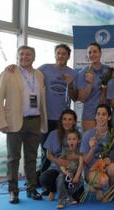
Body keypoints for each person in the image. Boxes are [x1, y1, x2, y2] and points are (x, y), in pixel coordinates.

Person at [0, 45, 48, 204]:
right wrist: (1, 122)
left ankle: (31, 189)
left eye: (28, 54)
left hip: (35, 121)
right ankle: (13, 191)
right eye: (22, 54)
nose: (25, 57)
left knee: (31, 158)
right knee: (13, 158)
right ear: (17, 56)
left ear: (34, 57)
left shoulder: (39, 75)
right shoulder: (8, 72)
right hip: (14, 122)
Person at [37, 44, 79, 183]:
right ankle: (44, 181)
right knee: (45, 151)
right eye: (58, 53)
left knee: (61, 151)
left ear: (68, 56)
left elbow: (75, 97)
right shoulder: (44, 69)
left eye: (64, 54)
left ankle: (61, 180)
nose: (61, 56)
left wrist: (70, 84)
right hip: (46, 117)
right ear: (55, 54)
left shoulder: (73, 74)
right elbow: (29, 76)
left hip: (63, 120)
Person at [80, 104, 114, 201]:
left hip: (106, 167)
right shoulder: (87, 135)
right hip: (92, 169)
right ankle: (98, 188)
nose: (100, 117)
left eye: (104, 114)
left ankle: (111, 190)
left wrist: (110, 159)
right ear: (95, 116)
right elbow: (85, 161)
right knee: (103, 180)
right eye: (98, 114)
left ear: (109, 117)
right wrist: (92, 149)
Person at [40, 109, 82, 202]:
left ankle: (66, 192)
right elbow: (48, 154)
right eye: (64, 119)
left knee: (79, 198)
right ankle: (53, 190)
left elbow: (82, 155)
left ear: (74, 121)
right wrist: (57, 161)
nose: (67, 122)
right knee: (44, 178)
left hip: (72, 170)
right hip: (56, 168)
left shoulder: (79, 135)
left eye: (70, 119)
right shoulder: (53, 134)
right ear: (61, 121)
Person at [77, 42, 111, 131]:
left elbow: (112, 95)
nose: (92, 54)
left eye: (95, 52)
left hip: (105, 114)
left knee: (105, 144)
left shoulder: (109, 71)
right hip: (89, 115)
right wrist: (90, 84)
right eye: (90, 52)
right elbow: (82, 99)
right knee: (89, 142)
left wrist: (105, 89)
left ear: (100, 53)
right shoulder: (83, 73)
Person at [56, 130, 84, 209]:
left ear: (78, 141)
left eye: (74, 139)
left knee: (81, 182)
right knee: (60, 178)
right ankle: (61, 199)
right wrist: (65, 171)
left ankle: (68, 195)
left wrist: (77, 176)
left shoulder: (80, 151)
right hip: (66, 172)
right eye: (69, 139)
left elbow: (81, 165)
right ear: (67, 141)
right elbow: (61, 164)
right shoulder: (65, 151)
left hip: (75, 173)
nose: (71, 141)